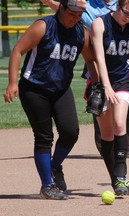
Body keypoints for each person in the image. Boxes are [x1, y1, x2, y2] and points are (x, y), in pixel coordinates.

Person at [41, 0, 129, 159]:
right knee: (100, 102)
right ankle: (105, 146)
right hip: (97, 57)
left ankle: (127, 146)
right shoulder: (87, 5)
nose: (128, 16)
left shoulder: (126, 3)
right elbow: (65, 7)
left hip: (121, 56)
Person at [3, 0, 98, 199]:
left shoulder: (81, 32)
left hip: (61, 89)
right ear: (61, 8)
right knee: (44, 137)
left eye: (79, 15)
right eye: (72, 13)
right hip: (34, 88)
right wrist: (12, 83)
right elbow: (18, 50)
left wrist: (96, 85)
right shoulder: (43, 26)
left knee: (71, 132)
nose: (75, 18)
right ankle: (47, 186)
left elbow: (90, 59)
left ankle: (54, 166)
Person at [89, 0, 129, 195]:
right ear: (117, 6)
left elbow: (125, 55)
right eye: (125, 12)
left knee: (120, 124)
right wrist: (105, 86)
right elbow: (99, 57)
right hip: (101, 83)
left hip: (122, 81)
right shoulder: (100, 24)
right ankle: (117, 182)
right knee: (107, 134)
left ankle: (121, 177)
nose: (127, 17)